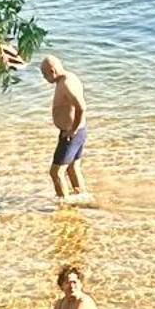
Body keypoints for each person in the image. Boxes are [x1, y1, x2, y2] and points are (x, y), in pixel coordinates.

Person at [39, 54, 88, 201]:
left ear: (52, 71)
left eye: (44, 74)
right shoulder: (70, 77)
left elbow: (81, 107)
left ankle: (64, 206)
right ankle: (82, 198)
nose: (44, 77)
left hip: (72, 134)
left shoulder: (66, 84)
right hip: (78, 132)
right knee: (73, 168)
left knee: (56, 173)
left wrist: (72, 130)